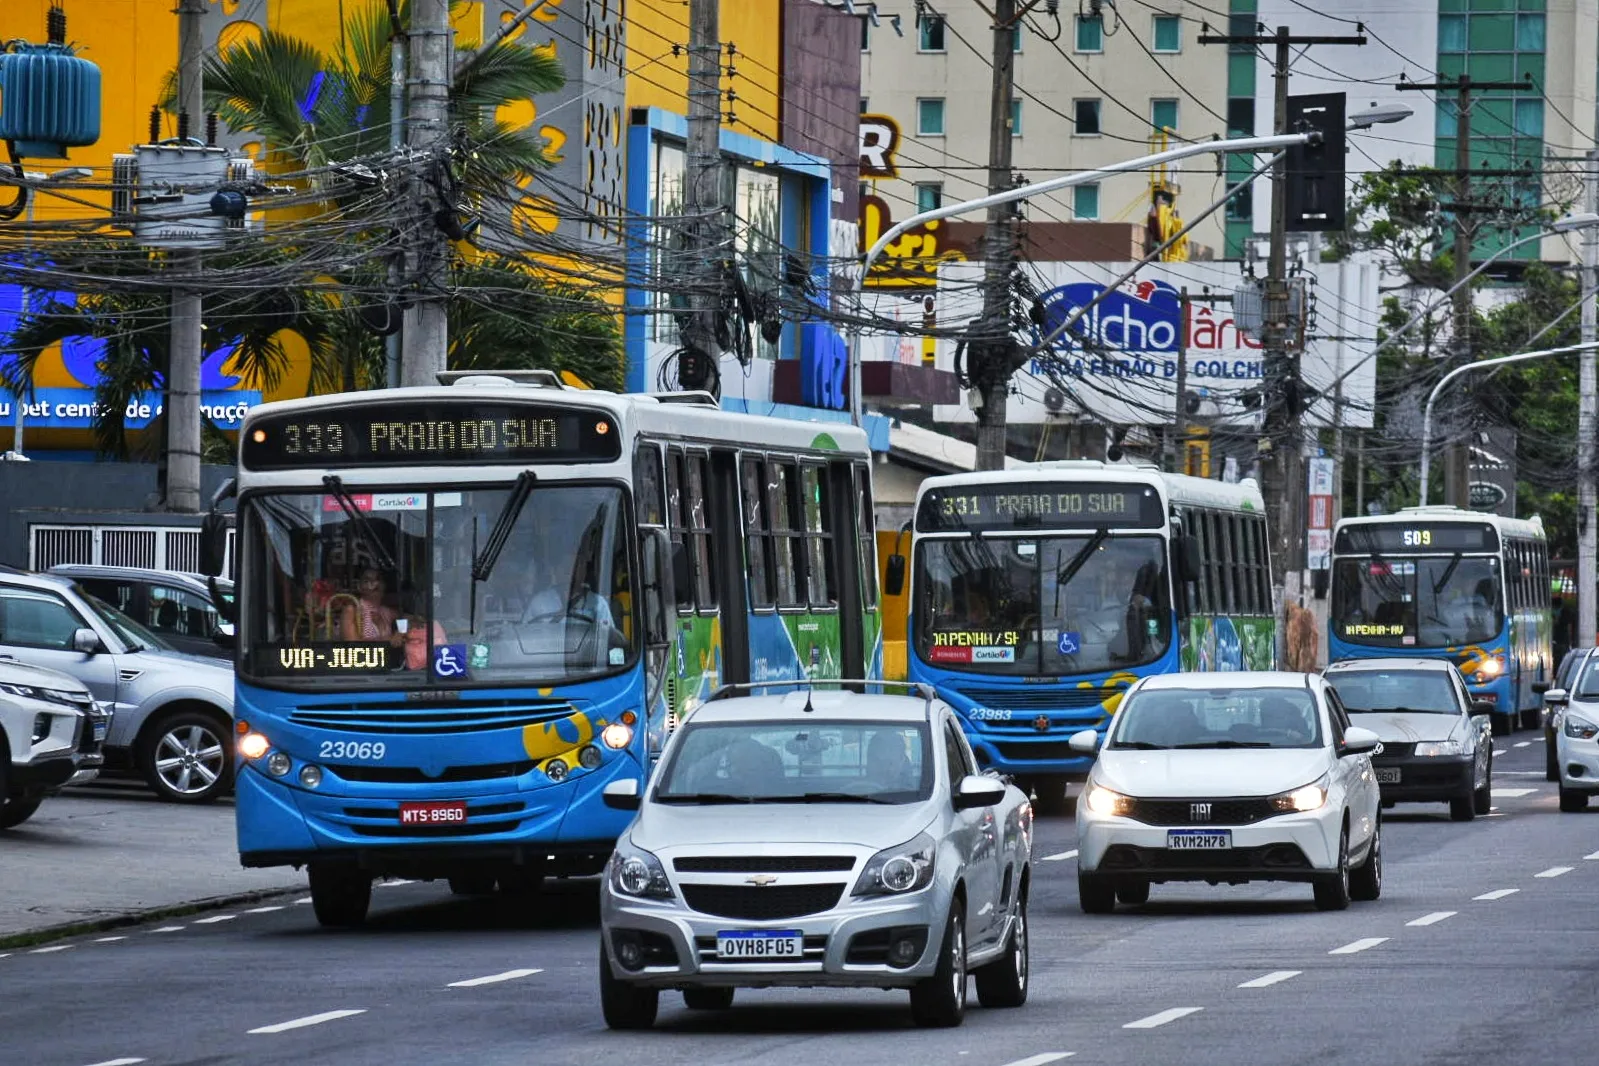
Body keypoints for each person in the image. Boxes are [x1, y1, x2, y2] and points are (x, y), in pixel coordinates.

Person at [340, 568, 398, 643]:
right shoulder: (352, 610)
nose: (375, 583)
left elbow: (412, 620)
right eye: (367, 580)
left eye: (378, 579)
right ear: (359, 587)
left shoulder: (387, 611)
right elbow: (352, 645)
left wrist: (401, 632)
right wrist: (389, 639)